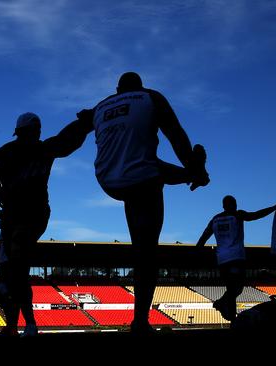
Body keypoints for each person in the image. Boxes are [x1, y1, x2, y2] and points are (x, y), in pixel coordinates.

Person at [74, 72, 210, 334]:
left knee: (151, 167)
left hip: (108, 177)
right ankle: (140, 322)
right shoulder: (151, 97)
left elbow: (80, 122)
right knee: (147, 252)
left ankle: (191, 174)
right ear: (141, 85)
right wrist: (194, 168)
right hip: (142, 179)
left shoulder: (102, 105)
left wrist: (83, 116)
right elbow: (176, 135)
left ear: (117, 89)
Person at [0, 112, 89, 337]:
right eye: (33, 131)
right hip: (12, 215)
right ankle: (19, 325)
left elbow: (67, 141)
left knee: (18, 248)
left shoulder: (39, 149)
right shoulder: (7, 152)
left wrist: (86, 124)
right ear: (25, 131)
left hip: (34, 213)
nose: (35, 135)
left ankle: (18, 311)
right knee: (18, 275)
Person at [196, 195, 276, 322]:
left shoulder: (215, 219)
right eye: (234, 203)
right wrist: (274, 207)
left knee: (231, 287)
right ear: (232, 204)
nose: (235, 205)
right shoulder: (237, 215)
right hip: (236, 257)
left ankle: (230, 315)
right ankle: (226, 309)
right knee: (237, 287)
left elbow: (203, 237)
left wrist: (197, 252)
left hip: (222, 259)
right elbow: (256, 215)